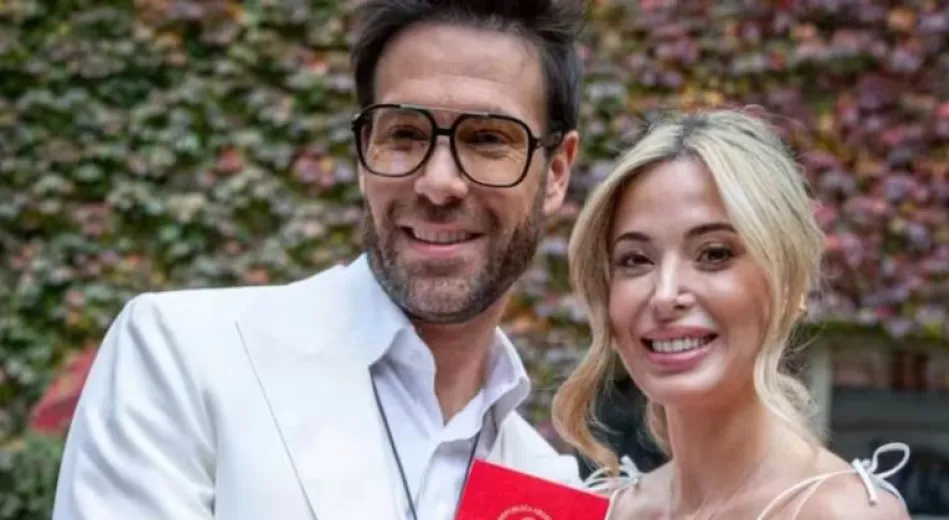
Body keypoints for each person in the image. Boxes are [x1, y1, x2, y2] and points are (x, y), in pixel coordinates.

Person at [51, 1, 586, 518]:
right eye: (404, 134)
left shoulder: (546, 488)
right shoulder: (181, 354)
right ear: (363, 154)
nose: (438, 182)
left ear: (556, 174)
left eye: (488, 139)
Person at [554, 108, 913, 519]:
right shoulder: (604, 510)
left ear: (788, 282)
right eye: (635, 259)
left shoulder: (844, 513)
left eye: (714, 254)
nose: (665, 296)